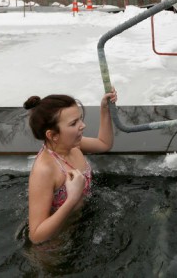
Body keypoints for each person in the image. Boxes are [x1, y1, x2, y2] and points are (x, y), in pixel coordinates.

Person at [24, 88, 118, 244]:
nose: (83, 125)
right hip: (56, 245)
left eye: (80, 119)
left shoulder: (73, 145)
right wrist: (72, 198)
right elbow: (35, 236)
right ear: (53, 135)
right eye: (74, 123)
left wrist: (104, 110)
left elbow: (104, 144)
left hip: (81, 225)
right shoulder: (45, 170)